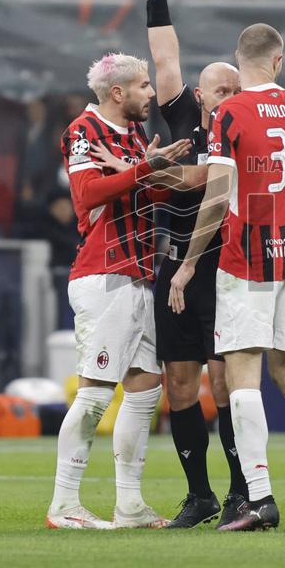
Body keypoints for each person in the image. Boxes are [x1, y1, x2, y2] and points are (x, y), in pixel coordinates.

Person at [168, 23, 285, 531]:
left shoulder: (229, 113)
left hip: (247, 258)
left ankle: (259, 498)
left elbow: (216, 193)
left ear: (240, 57)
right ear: (279, 60)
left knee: (242, 374)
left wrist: (188, 262)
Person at [45, 53, 192, 530]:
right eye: (145, 85)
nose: (152, 93)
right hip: (103, 273)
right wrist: (142, 168)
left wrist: (159, 171)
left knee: (146, 389)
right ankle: (64, 503)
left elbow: (150, 194)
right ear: (117, 92)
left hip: (139, 273)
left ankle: (129, 504)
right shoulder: (83, 130)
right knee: (93, 393)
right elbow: (86, 195)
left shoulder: (132, 136)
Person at [141, 0, 248, 528]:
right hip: (174, 261)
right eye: (219, 89)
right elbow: (164, 57)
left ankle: (239, 492)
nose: (227, 95)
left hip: (225, 267)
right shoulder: (184, 114)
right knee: (179, 380)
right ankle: (199, 494)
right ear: (200, 95)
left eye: (235, 86)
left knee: (227, 378)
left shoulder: (246, 124)